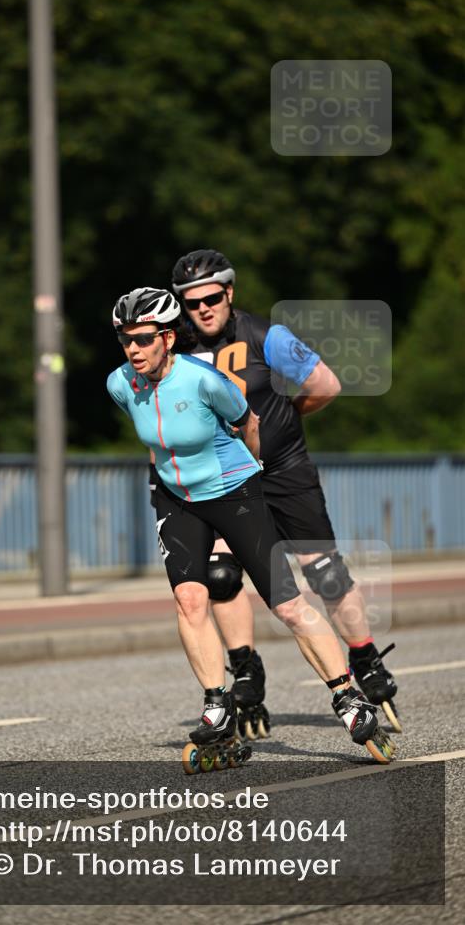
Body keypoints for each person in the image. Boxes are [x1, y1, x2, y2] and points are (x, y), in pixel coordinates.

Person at [107, 286, 395, 765]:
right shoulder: (120, 384)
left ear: (168, 338)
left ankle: (347, 694)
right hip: (176, 498)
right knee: (192, 596)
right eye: (125, 340)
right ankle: (217, 707)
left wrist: (253, 479)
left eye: (142, 339)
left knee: (286, 604)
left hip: (233, 490)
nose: (132, 350)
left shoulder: (204, 380)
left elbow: (250, 423)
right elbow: (157, 438)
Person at [169, 249, 401, 734]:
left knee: (326, 574)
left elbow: (327, 384)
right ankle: (247, 669)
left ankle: (364, 658)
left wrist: (288, 415)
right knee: (220, 575)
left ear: (229, 293)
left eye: (212, 298)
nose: (204, 309)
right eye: (192, 303)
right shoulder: (179, 353)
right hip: (225, 479)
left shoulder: (265, 335)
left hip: (283, 469)